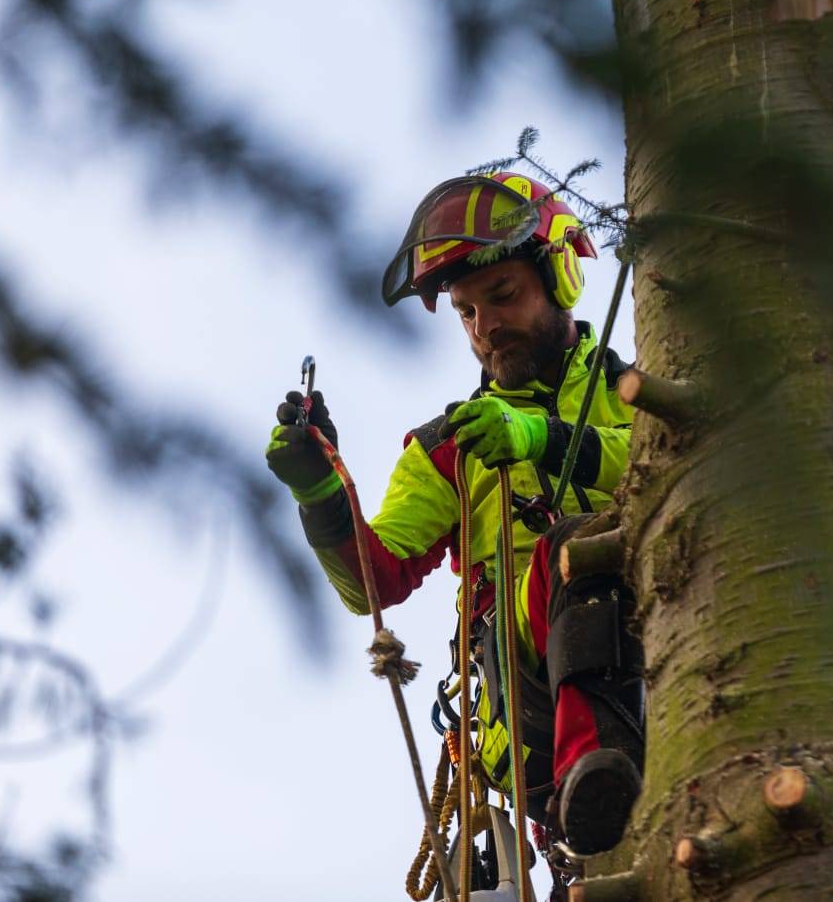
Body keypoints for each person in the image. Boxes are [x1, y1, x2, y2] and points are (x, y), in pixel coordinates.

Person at [264, 172, 644, 857]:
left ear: (559, 277)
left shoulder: (640, 393)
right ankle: (594, 768)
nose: (486, 326)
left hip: (667, 639)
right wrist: (319, 493)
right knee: (578, 550)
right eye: (467, 312)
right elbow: (373, 587)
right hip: (531, 709)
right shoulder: (449, 449)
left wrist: (544, 439)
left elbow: (673, 458)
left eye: (502, 296)